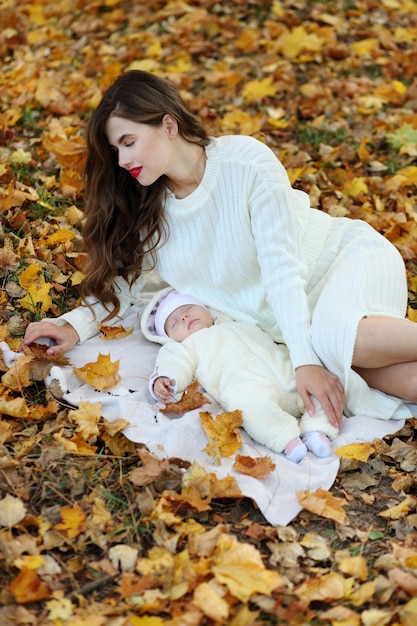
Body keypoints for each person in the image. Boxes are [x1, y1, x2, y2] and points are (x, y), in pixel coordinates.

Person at [24, 69, 417, 428]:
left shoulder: (245, 163)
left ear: (168, 125)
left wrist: (304, 361)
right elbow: (131, 289)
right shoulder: (150, 213)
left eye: (129, 142)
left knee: (333, 341)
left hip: (341, 264)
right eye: (116, 151)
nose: (124, 160)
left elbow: (283, 269)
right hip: (298, 327)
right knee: (362, 382)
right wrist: (73, 326)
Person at [141, 287, 339, 462]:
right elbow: (174, 362)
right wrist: (166, 377)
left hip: (285, 371)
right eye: (175, 322)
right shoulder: (186, 346)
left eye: (187, 309)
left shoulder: (235, 319)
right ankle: (285, 438)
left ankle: (317, 430)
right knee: (250, 407)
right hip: (246, 386)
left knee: (318, 388)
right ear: (169, 337)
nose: (184, 317)